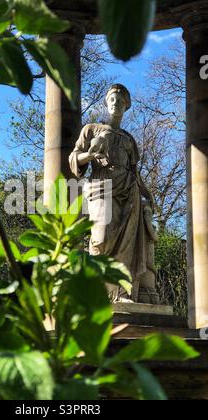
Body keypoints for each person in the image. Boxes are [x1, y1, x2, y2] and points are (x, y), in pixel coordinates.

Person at [69, 84, 159, 303]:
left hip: (129, 190)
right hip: (101, 186)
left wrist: (148, 194)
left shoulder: (128, 140)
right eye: (112, 100)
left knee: (127, 244)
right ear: (106, 103)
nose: (115, 104)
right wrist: (89, 155)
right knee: (100, 238)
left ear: (126, 106)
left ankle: (121, 294)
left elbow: (135, 172)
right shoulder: (91, 130)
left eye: (120, 101)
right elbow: (73, 158)